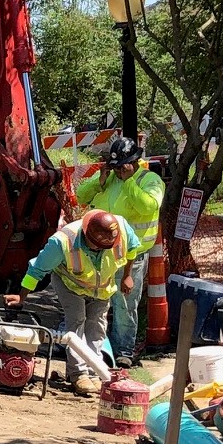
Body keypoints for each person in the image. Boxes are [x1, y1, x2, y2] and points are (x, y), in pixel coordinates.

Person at [10, 209, 143, 396]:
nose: (100, 250)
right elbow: (37, 269)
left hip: (102, 287)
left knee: (97, 326)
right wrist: (21, 297)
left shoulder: (121, 228)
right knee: (77, 322)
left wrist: (127, 276)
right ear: (86, 235)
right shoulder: (62, 242)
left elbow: (132, 250)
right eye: (96, 246)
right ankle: (78, 374)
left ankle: (93, 370)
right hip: (70, 285)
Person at [74, 135, 164, 365]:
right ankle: (96, 347)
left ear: (133, 163)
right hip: (100, 252)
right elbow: (81, 196)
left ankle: (123, 351)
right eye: (114, 167)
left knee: (124, 304)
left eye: (121, 167)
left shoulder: (150, 180)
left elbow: (148, 207)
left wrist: (129, 181)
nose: (117, 171)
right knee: (95, 300)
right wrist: (99, 181)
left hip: (130, 255)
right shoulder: (109, 178)